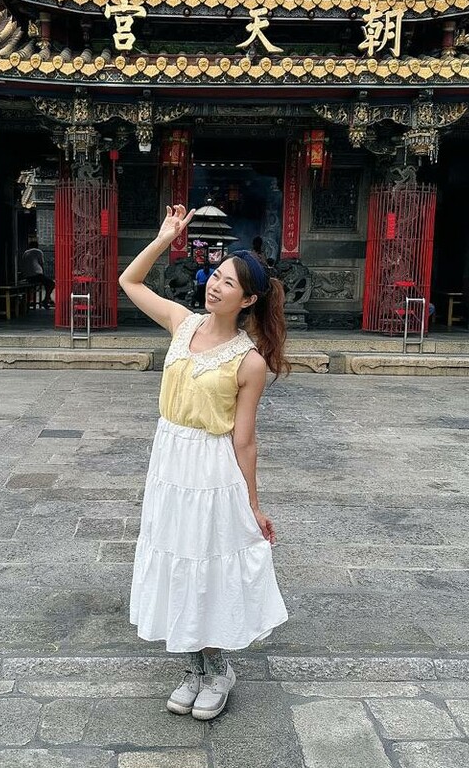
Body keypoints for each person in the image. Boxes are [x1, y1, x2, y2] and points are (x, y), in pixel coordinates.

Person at [119, 204, 289, 722]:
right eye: (215, 275)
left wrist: (253, 505)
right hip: (170, 461)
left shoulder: (249, 361)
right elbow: (129, 281)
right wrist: (164, 236)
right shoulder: (181, 323)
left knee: (205, 567)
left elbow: (245, 440)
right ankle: (193, 667)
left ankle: (217, 670)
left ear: (249, 299)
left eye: (228, 283)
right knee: (175, 559)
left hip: (213, 470)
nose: (215, 286)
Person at [20, 236, 55, 308]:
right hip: (36, 275)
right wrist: (42, 273)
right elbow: (41, 263)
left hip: (27, 276)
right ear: (37, 246)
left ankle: (48, 299)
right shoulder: (38, 252)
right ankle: (46, 300)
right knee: (51, 283)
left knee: (46, 283)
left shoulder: (25, 252)